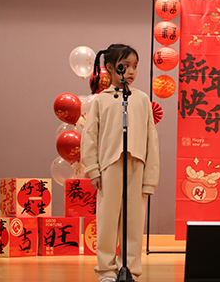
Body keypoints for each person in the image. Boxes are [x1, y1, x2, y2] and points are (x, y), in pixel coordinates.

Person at [81, 44, 160, 282]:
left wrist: (150, 178)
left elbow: (151, 137)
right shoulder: (101, 101)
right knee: (107, 220)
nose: (131, 71)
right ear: (110, 67)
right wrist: (93, 169)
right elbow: (90, 136)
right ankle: (106, 270)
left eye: (135, 66)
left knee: (134, 222)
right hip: (110, 167)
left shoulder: (142, 99)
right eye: (125, 66)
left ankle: (130, 270)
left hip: (137, 166)